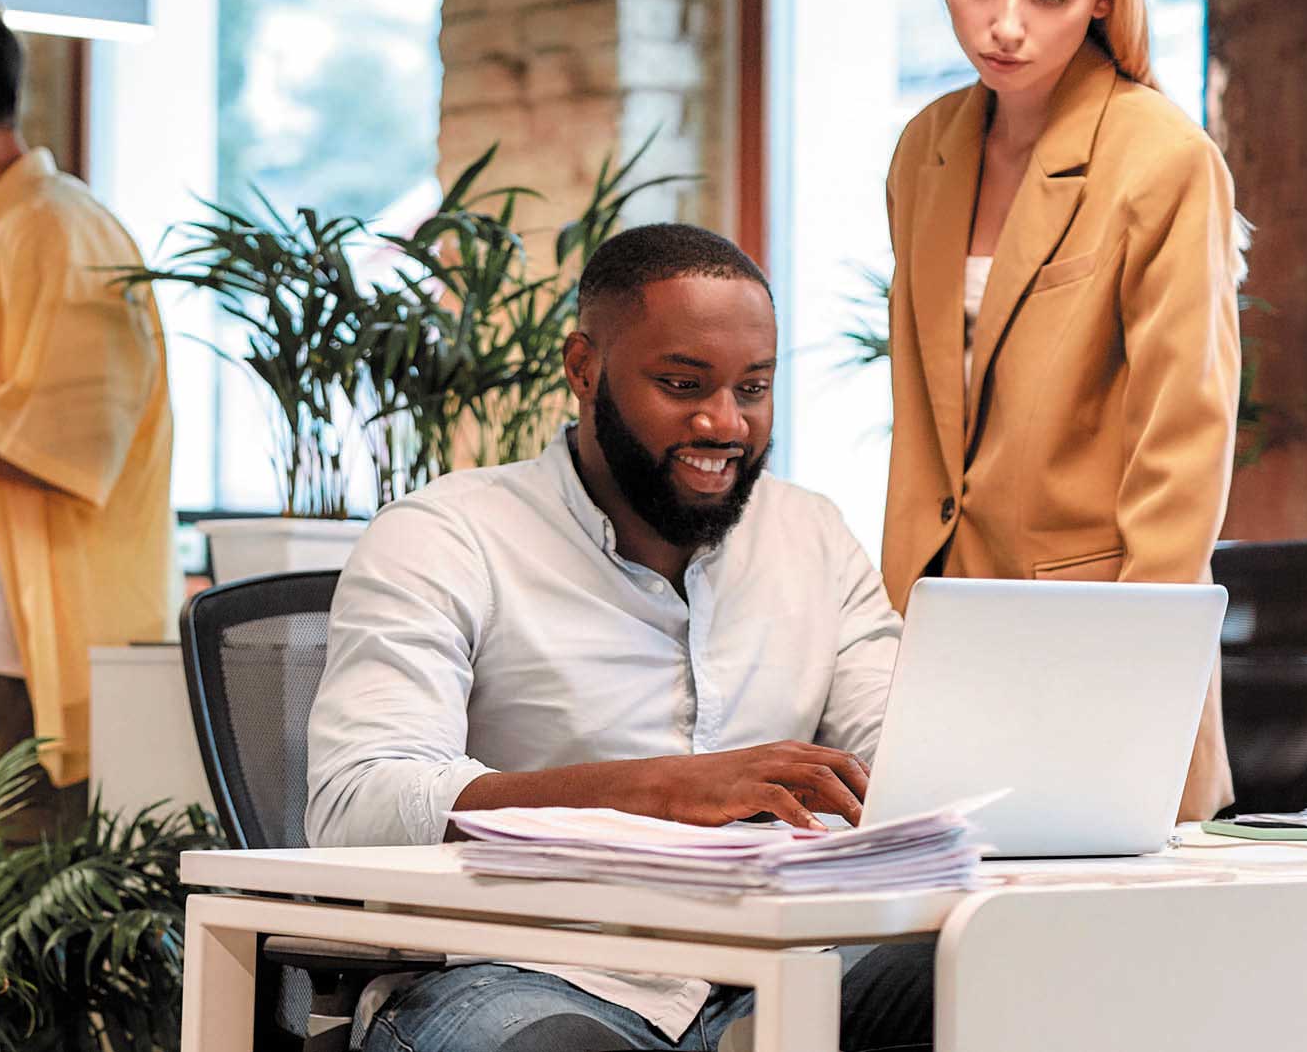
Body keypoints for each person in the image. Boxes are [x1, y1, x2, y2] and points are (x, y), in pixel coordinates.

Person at [308, 223, 933, 1051]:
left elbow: (898, 753)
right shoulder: (447, 534)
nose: (724, 423)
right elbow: (360, 802)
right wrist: (654, 791)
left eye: (752, 388)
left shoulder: (810, 534)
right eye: (682, 384)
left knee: (1007, 968)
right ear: (582, 369)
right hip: (528, 971)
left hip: (783, 960)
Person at [882, 0, 1245, 823]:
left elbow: (1184, 444)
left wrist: (1132, 676)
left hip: (1103, 638)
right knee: (941, 963)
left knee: (1102, 965)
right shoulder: (925, 152)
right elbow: (921, 415)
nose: (1003, 25)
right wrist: (898, 610)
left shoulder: (1158, 154)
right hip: (950, 634)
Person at [0, 0, 174, 836]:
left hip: (24, 667)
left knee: (15, 953)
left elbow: (72, 439)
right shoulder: (0, 230)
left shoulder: (58, 228)